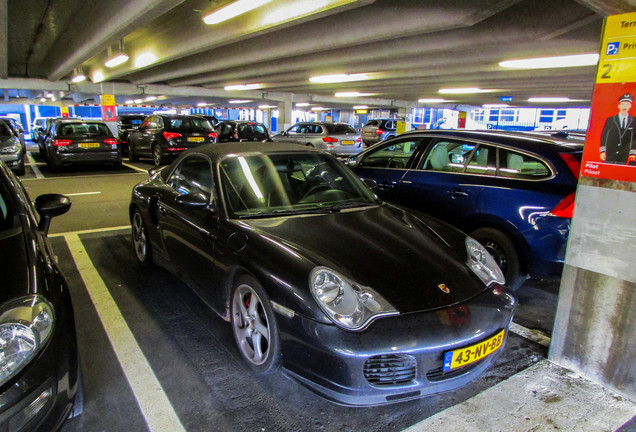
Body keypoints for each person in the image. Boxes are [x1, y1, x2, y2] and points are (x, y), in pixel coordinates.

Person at [600, 93, 635, 164]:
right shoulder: (610, 120)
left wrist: (633, 152)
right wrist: (603, 151)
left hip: (623, 155)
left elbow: (634, 137)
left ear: (630, 106)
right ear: (619, 106)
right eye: (623, 104)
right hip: (610, 153)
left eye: (627, 104)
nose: (625, 106)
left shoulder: (634, 121)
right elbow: (604, 135)